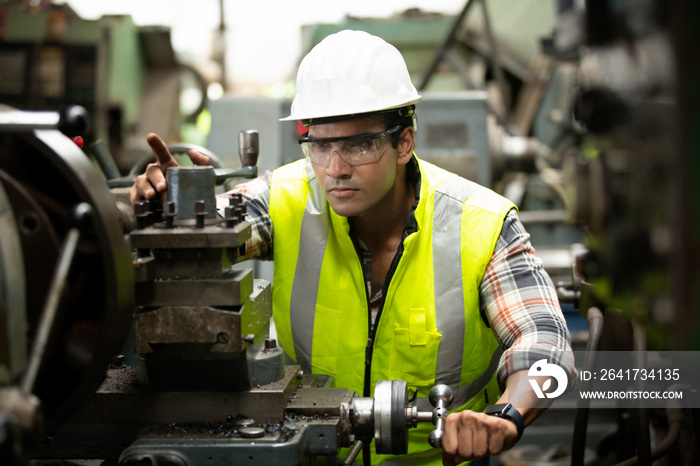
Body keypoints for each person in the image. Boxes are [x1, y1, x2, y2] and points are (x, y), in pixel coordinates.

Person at [130, 30, 574, 466]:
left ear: (404, 142)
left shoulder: (482, 224)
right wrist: (177, 206)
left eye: (359, 145)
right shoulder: (287, 197)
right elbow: (222, 222)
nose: (335, 169)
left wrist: (506, 415)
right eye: (320, 145)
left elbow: (547, 345)